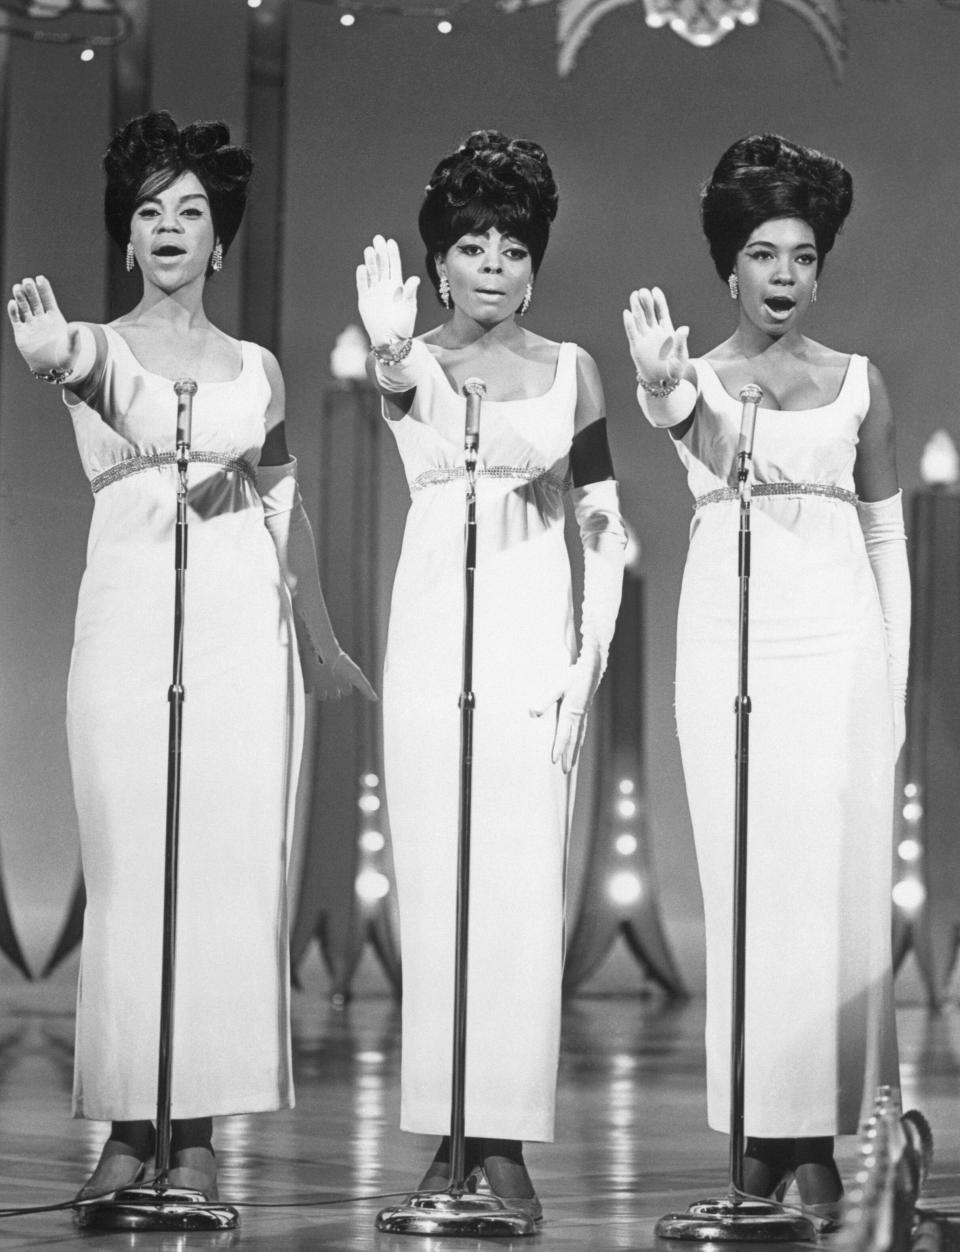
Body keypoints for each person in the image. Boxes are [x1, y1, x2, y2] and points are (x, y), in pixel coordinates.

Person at [7, 110, 375, 1202]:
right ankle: (128, 1127)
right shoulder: (94, 344)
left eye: (193, 212)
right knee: (131, 882)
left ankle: (200, 1133)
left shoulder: (255, 366)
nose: (170, 227)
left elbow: (283, 497)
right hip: (124, 625)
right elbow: (91, 380)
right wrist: (55, 363)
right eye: (150, 212)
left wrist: (315, 637)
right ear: (127, 239)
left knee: (221, 883)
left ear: (222, 241)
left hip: (238, 638)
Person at [623, 133, 908, 1224]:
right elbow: (685, 430)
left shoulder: (859, 386)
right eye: (762, 254)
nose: (783, 276)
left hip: (840, 652)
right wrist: (664, 392)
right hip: (728, 653)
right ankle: (758, 1138)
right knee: (748, 890)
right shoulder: (696, 379)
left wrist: (887, 684)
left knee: (833, 904)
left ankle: (819, 1141)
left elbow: (887, 543)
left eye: (801, 255)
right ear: (727, 267)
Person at [356, 130, 626, 1220]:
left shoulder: (573, 370)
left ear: (536, 264)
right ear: (439, 264)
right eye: (474, 245)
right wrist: (387, 353)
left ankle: (502, 1141)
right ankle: (442, 1136)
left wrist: (590, 648)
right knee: (436, 892)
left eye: (514, 247)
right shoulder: (409, 358)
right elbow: (396, 392)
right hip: (427, 642)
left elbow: (603, 519)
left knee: (516, 896)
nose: (496, 265)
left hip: (530, 649)